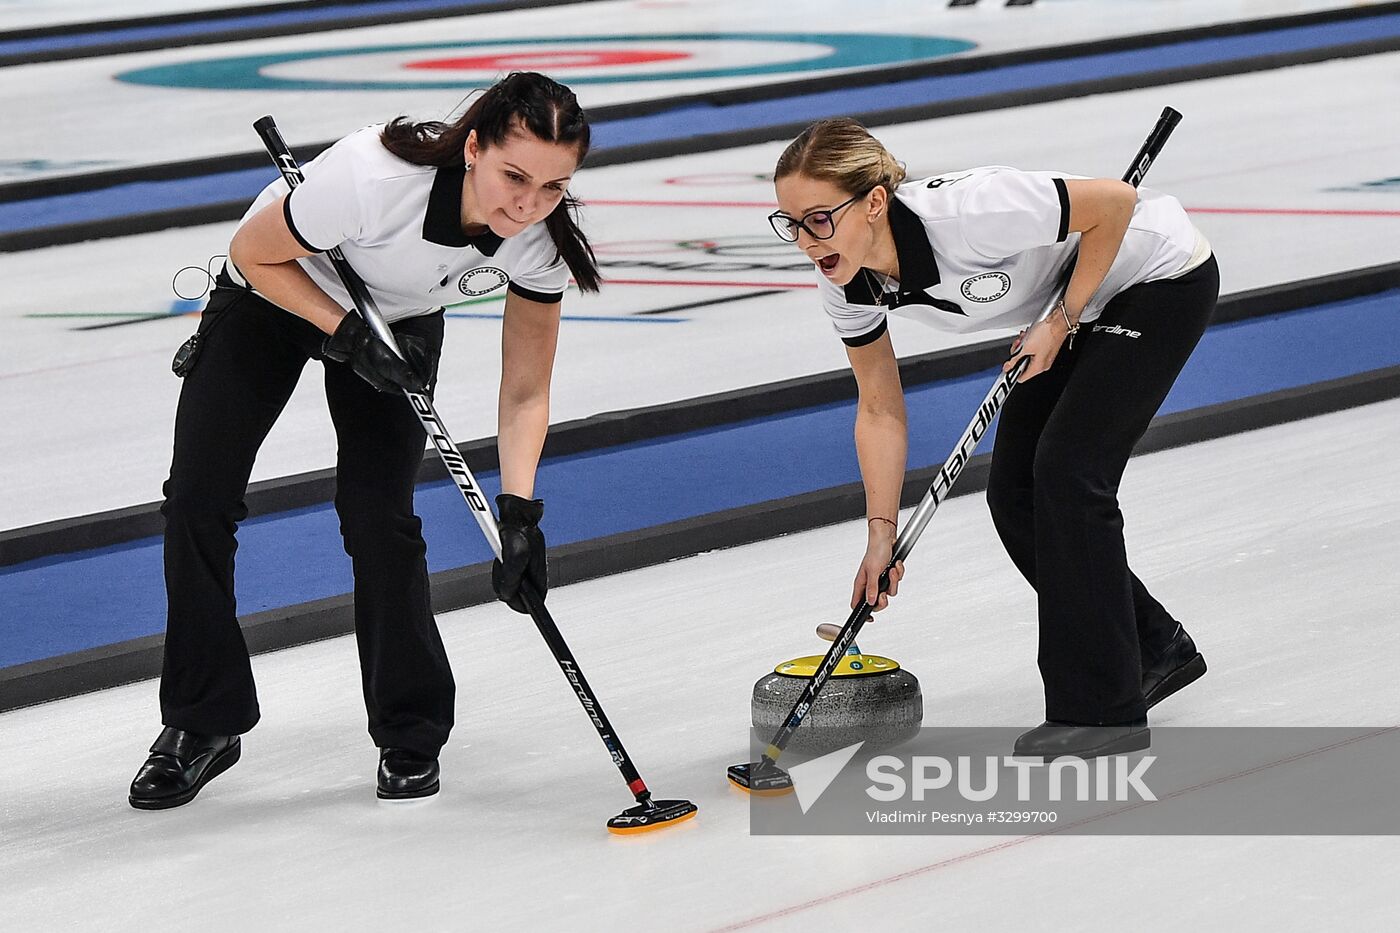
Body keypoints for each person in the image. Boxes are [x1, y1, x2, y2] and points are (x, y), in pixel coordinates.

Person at [129, 72, 599, 809]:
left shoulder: (538, 239)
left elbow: (526, 389)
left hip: (400, 317)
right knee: (198, 497)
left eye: (552, 187)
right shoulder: (370, 178)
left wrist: (520, 511)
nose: (527, 204)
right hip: (277, 291)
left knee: (379, 513)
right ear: (473, 148)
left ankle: (411, 727)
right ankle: (202, 722)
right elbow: (253, 253)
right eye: (515, 176)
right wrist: (346, 333)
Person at [768, 118, 1216, 759]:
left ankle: (1101, 712)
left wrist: (1061, 319)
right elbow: (879, 409)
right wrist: (880, 535)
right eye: (790, 223)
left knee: (1067, 474)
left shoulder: (969, 211)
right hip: (1071, 305)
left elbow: (1115, 205)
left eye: (818, 219)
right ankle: (1152, 644)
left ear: (872, 201)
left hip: (1154, 279)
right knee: (1015, 494)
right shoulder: (848, 282)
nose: (806, 242)